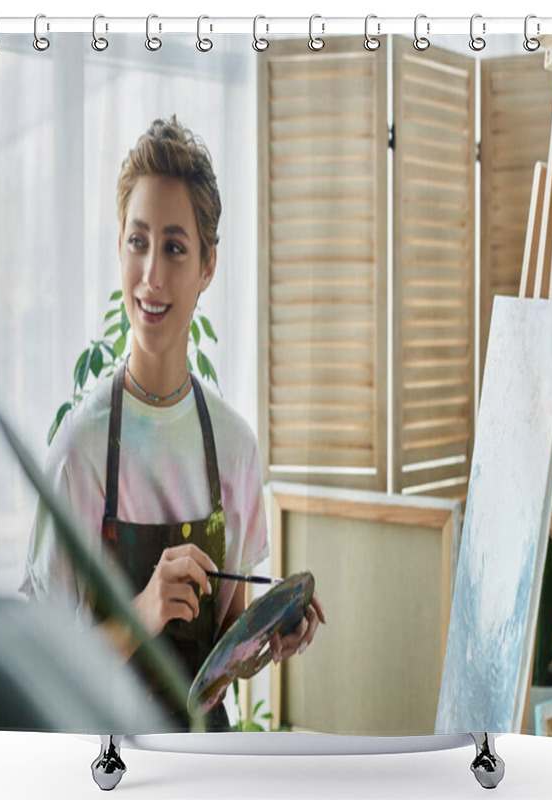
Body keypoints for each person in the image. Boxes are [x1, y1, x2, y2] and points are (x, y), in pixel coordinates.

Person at [19, 116, 325, 732]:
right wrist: (146, 611)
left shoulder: (235, 447)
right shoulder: (80, 448)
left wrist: (272, 632)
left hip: (209, 760)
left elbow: (224, 649)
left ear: (208, 265)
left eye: (175, 247)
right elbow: (45, 662)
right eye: (138, 242)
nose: (152, 276)